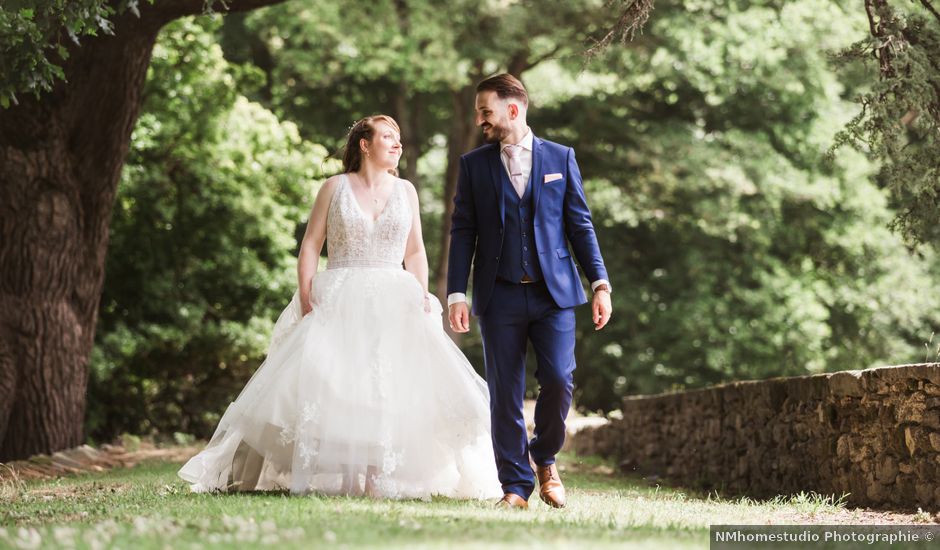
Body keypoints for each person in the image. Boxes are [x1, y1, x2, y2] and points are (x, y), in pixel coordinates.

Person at [179, 115, 501, 500]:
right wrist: (306, 296)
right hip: (339, 294)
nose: (397, 144)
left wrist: (420, 294)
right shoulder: (334, 187)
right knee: (342, 384)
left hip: (394, 297)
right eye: (387, 137)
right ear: (365, 145)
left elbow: (415, 251)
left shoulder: (407, 191)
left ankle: (375, 476)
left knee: (386, 386)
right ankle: (347, 477)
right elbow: (311, 245)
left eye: (399, 138)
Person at [447, 74, 612, 510]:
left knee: (559, 380)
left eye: (486, 111)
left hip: (553, 293)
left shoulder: (561, 157)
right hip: (498, 295)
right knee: (504, 392)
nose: (480, 118)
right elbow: (463, 231)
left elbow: (580, 223)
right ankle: (515, 487)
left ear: (513, 110)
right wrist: (455, 293)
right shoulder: (474, 164)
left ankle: (544, 458)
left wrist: (599, 282)